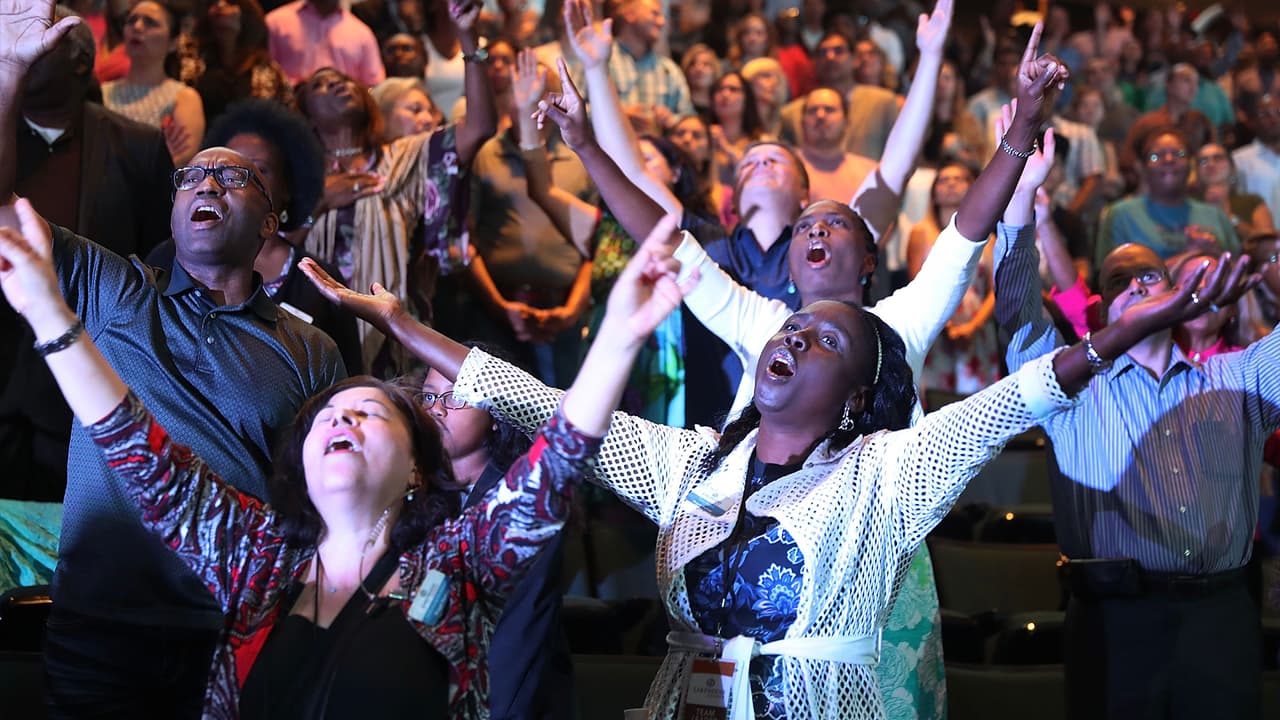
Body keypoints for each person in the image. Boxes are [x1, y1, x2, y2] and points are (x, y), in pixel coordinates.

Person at [301, 156, 1251, 720]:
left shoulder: (887, 469)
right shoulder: (690, 463)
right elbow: (541, 403)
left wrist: (1123, 330)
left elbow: (1019, 398)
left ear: (858, 395)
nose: (793, 337)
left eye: (825, 340)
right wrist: (401, 323)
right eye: (793, 328)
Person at [0, 192, 689, 717]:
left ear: (417, 467)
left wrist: (618, 339)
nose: (342, 418)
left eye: (370, 412)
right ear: (300, 463)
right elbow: (135, 447)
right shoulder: (253, 553)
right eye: (329, 415)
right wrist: (51, 318)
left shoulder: (459, 566)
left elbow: (556, 463)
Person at [0, 4, 348, 716]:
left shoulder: (311, 348)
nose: (207, 185)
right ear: (171, 212)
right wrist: (7, 72)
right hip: (101, 626)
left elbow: (322, 503)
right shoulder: (112, 287)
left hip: (232, 628)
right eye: (191, 177)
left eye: (234, 179)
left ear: (271, 224)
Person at [995, 166, 1272, 720]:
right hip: (1112, 623)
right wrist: (1021, 198)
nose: (1138, 286)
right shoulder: (1068, 388)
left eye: (1150, 275)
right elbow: (1019, 312)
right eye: (1120, 282)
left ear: (1178, 296)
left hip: (1221, 618)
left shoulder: (1239, 376)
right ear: (1103, 311)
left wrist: (1266, 276)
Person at [2, 6, 173, 500]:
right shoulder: (3, 133)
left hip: (89, 370)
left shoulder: (138, 145)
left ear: (79, 63)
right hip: (5, 365)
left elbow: (157, 262)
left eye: (40, 45)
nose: (25, 51)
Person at [295, 0, 495, 373]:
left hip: (397, 347)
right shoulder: (298, 177)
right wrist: (318, 203)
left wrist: (469, 39)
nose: (336, 83)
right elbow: (267, 249)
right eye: (320, 84)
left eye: (344, 80)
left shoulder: (403, 157)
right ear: (306, 116)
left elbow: (480, 126)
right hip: (317, 345)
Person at [145, 98, 365, 374]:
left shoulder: (318, 280)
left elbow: (349, 380)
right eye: (216, 172)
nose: (214, 185)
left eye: (241, 174)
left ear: (287, 187)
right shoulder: (166, 259)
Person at [417, 348, 573, 720]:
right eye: (428, 396)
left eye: (455, 396)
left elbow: (517, 638)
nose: (436, 409)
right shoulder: (411, 495)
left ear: (497, 416)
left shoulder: (524, 503)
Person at [907, 162, 999, 396]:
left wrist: (972, 327)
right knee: (937, 400)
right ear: (934, 193)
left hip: (977, 330)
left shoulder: (988, 237)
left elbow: (996, 290)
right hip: (936, 329)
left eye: (959, 179)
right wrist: (947, 327)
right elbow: (917, 287)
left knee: (977, 403)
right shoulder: (921, 233)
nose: (951, 184)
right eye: (943, 180)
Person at [1098, 128, 1240, 269]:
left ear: (1190, 165)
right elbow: (1111, 276)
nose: (1169, 160)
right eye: (1155, 156)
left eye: (1179, 154)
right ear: (1142, 168)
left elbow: (1237, 268)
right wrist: (1190, 256)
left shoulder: (1214, 214)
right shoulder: (1121, 215)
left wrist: (1217, 256)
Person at [102, 0, 206, 166]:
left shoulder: (184, 98)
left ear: (173, 42)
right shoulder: (102, 92)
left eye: (150, 23)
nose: (137, 27)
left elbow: (180, 162)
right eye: (131, 21)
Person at [182, 0, 294, 128]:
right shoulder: (192, 59)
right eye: (214, 3)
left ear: (247, 16)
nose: (219, 5)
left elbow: (287, 120)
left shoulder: (269, 71)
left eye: (230, 2)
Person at [266, 0, 386, 87]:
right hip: (287, 108)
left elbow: (374, 86)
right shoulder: (275, 23)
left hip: (342, 110)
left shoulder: (362, 33)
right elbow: (265, 75)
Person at [1192, 142, 1275, 241]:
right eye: (1203, 161)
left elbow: (1267, 242)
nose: (1210, 164)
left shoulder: (1252, 202)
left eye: (1217, 158)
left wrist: (1229, 217)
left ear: (1233, 168)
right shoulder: (1189, 203)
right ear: (1197, 172)